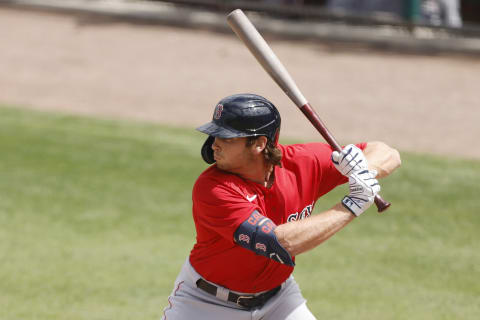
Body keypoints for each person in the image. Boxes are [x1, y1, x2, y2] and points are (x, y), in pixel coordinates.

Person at [162, 93, 401, 319]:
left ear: (258, 144)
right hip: (206, 305)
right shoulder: (213, 188)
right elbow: (282, 243)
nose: (215, 144)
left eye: (227, 138)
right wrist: (353, 204)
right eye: (215, 135)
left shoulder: (303, 162)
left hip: (279, 299)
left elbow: (387, 153)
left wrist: (365, 171)